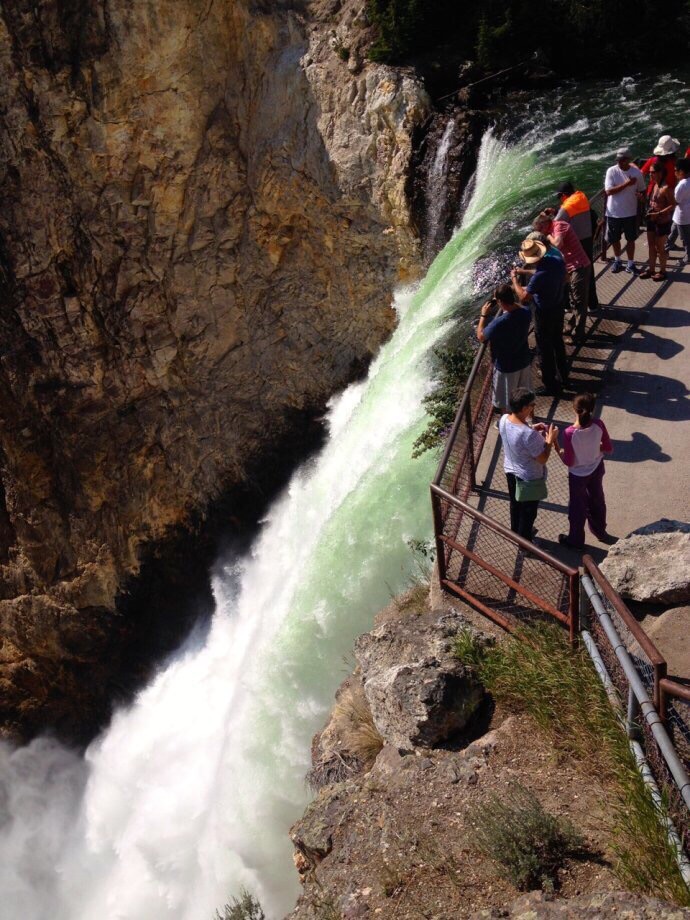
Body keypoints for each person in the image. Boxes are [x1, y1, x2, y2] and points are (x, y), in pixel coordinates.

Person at [555, 393, 615, 551]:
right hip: (596, 468)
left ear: (574, 410)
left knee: (577, 507)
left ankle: (575, 540)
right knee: (597, 500)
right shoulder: (599, 424)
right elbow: (608, 448)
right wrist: (595, 448)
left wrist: (555, 445)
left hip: (578, 476)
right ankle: (600, 531)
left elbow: (569, 461)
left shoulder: (569, 433)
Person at [499, 388, 558, 543]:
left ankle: (515, 533)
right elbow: (543, 458)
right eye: (532, 404)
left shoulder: (504, 419)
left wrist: (531, 427)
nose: (533, 406)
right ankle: (525, 544)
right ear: (525, 408)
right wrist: (550, 440)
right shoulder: (529, 435)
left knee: (515, 505)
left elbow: (516, 434)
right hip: (529, 478)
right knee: (528, 513)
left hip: (510, 470)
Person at [511, 239, 568, 397]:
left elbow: (524, 297)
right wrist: (525, 273)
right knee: (558, 341)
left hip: (544, 313)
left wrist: (515, 280)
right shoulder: (556, 260)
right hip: (558, 306)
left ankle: (550, 384)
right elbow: (564, 278)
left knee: (544, 349)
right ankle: (564, 375)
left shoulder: (539, 277)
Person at [534, 209, 592, 341]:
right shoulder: (552, 227)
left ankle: (578, 335)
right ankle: (572, 325)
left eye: (540, 230)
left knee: (579, 302)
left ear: (544, 226)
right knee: (574, 300)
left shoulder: (558, 226)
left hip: (579, 266)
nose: (540, 233)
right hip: (570, 268)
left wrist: (548, 236)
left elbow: (558, 244)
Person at [476, 284, 532, 415]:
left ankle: (507, 423)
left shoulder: (499, 323)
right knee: (525, 394)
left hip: (506, 367)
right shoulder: (525, 313)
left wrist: (483, 316)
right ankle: (530, 417)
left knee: (506, 400)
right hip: (523, 359)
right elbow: (520, 307)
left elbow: (481, 336)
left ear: (500, 302)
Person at [555, 181, 599, 310]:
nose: (560, 200)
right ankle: (593, 304)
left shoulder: (567, 207)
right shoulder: (582, 197)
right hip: (588, 240)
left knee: (570, 273)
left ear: (563, 195)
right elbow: (574, 215)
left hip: (575, 244)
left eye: (559, 197)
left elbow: (556, 224)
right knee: (589, 272)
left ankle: (569, 305)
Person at [604, 147, 646, 274]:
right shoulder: (611, 171)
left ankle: (631, 263)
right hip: (613, 213)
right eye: (618, 160)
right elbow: (609, 191)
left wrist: (641, 197)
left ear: (628, 160)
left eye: (622, 160)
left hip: (630, 212)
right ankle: (617, 260)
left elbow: (642, 190)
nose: (620, 162)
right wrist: (627, 184)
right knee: (614, 239)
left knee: (631, 239)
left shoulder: (637, 173)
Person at [640, 161, 675, 281]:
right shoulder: (654, 185)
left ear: (660, 173)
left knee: (660, 248)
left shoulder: (666, 188)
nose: (650, 175)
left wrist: (659, 213)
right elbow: (652, 203)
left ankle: (663, 271)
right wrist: (643, 200)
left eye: (653, 172)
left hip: (662, 221)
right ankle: (651, 269)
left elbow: (673, 205)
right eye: (650, 173)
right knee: (651, 245)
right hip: (651, 219)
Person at [672, 157, 690, 264]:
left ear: (681, 171)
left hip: (682, 216)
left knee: (685, 239)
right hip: (682, 216)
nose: (674, 173)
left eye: (675, 171)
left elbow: (676, 201)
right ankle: (667, 245)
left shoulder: (682, 185)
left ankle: (688, 257)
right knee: (673, 231)